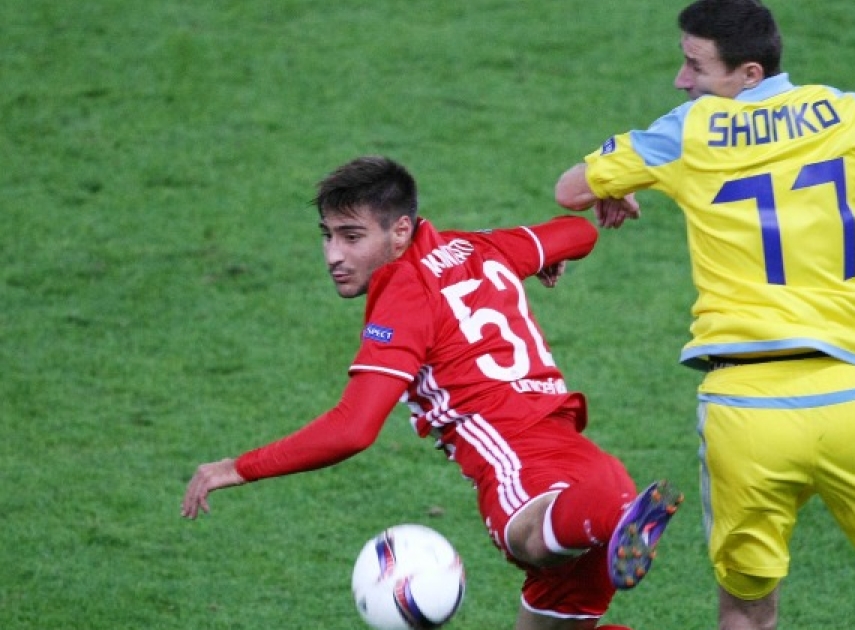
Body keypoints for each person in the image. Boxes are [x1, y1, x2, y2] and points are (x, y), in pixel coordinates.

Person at [553, 1, 855, 629]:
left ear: (749, 73)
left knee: (746, 608)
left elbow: (570, 189)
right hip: (850, 404)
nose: (682, 80)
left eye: (696, 66)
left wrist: (616, 185)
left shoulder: (690, 130)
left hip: (743, 416)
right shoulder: (851, 114)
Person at [181, 155, 682, 630]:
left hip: (522, 468)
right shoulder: (481, 248)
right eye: (327, 235)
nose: (334, 255)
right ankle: (610, 509)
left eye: (352, 237)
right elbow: (577, 232)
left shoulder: (405, 293)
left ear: (400, 231)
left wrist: (236, 468)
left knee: (527, 538)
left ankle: (610, 509)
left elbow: (353, 429)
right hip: (575, 457)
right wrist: (556, 254)